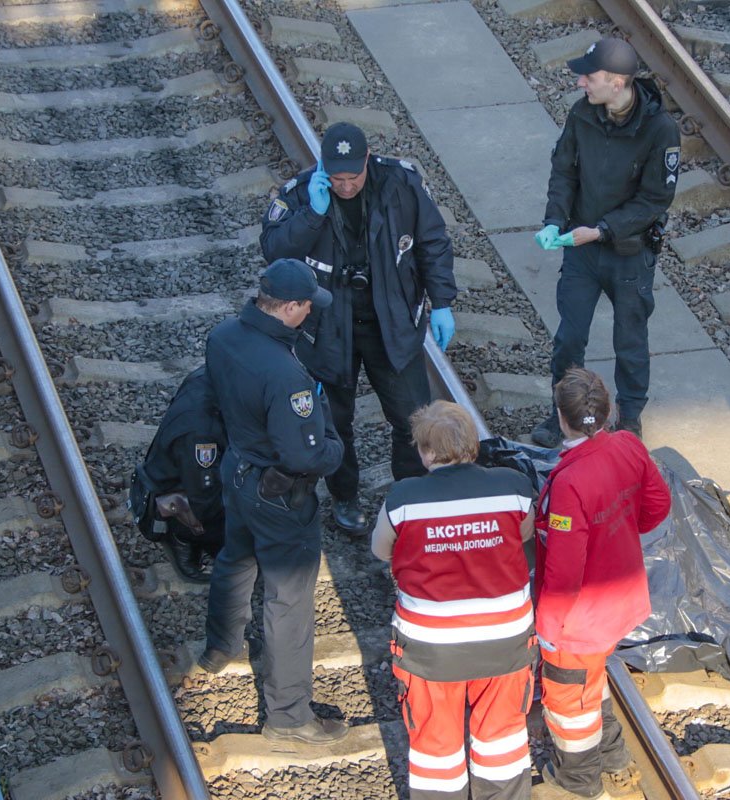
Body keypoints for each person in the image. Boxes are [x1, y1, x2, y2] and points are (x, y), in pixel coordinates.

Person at [261, 122, 458, 535]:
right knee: (334, 422)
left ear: (367, 161)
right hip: (329, 328)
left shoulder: (400, 184)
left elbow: (433, 242)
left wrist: (441, 303)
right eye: (336, 178)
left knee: (412, 418)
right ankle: (344, 496)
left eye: (353, 176)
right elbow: (275, 253)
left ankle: (407, 497)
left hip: (393, 325)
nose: (345, 186)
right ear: (322, 169)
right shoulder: (300, 195)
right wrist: (312, 216)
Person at [199, 258, 348, 744]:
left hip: (238, 472)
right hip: (280, 494)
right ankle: (287, 716)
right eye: (307, 305)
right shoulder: (288, 377)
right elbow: (303, 454)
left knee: (234, 558)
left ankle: (220, 648)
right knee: (289, 600)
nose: (311, 313)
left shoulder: (223, 337)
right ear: (289, 307)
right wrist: (336, 447)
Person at [371, 401, 537, 800]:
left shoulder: (403, 497)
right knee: (502, 739)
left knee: (435, 745)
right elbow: (525, 536)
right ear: (473, 446)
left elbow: (381, 551)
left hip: (431, 650)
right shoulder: (513, 486)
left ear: (426, 452)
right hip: (506, 641)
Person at [531, 38, 679, 447]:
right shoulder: (583, 115)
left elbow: (655, 199)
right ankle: (563, 414)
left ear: (616, 82)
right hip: (581, 249)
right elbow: (564, 172)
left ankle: (629, 420)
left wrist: (603, 230)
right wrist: (554, 220)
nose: (581, 83)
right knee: (569, 338)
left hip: (629, 253)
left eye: (589, 76)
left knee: (630, 341)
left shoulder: (660, 129)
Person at [534, 368, 671, 798]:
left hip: (579, 623)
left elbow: (563, 573)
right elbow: (657, 505)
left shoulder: (571, 482)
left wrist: (548, 631)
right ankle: (612, 753)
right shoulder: (629, 446)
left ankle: (578, 780)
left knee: (567, 700)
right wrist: (622, 534)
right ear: (609, 410)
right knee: (591, 678)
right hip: (623, 600)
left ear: (561, 417)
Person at [129, 367, 226, 583]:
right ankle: (183, 535)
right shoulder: (201, 432)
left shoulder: (206, 375)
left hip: (182, 469)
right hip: (181, 494)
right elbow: (205, 497)